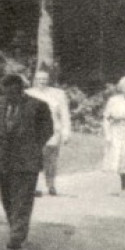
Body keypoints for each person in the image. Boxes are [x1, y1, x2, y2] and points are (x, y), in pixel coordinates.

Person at [0, 73, 55, 250]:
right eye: (6, 93)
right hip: (3, 159)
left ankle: (17, 235)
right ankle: (16, 227)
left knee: (23, 198)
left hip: (27, 160)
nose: (9, 97)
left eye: (13, 93)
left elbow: (47, 130)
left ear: (21, 90)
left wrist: (33, 146)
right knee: (7, 198)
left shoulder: (38, 106)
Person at [26, 66, 72, 196]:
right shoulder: (28, 93)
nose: (42, 81)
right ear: (35, 80)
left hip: (53, 130)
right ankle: (35, 186)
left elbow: (64, 114)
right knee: (34, 158)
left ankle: (51, 184)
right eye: (39, 79)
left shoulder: (58, 94)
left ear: (48, 80)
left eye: (44, 79)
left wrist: (66, 132)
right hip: (33, 131)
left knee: (51, 159)